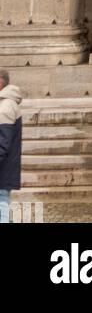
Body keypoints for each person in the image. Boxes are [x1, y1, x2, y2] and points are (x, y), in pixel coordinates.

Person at [0, 69, 23, 224]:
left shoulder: (5, 107)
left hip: (3, 169)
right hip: (5, 168)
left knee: (2, 206)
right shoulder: (6, 104)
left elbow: (2, 143)